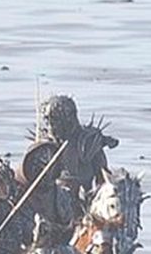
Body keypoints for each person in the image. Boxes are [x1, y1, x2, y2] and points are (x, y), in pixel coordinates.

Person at [20, 94, 119, 231]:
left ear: (68, 119)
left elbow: (103, 180)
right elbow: (31, 179)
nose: (51, 126)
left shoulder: (87, 143)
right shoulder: (44, 147)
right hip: (51, 203)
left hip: (83, 202)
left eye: (55, 121)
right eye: (48, 121)